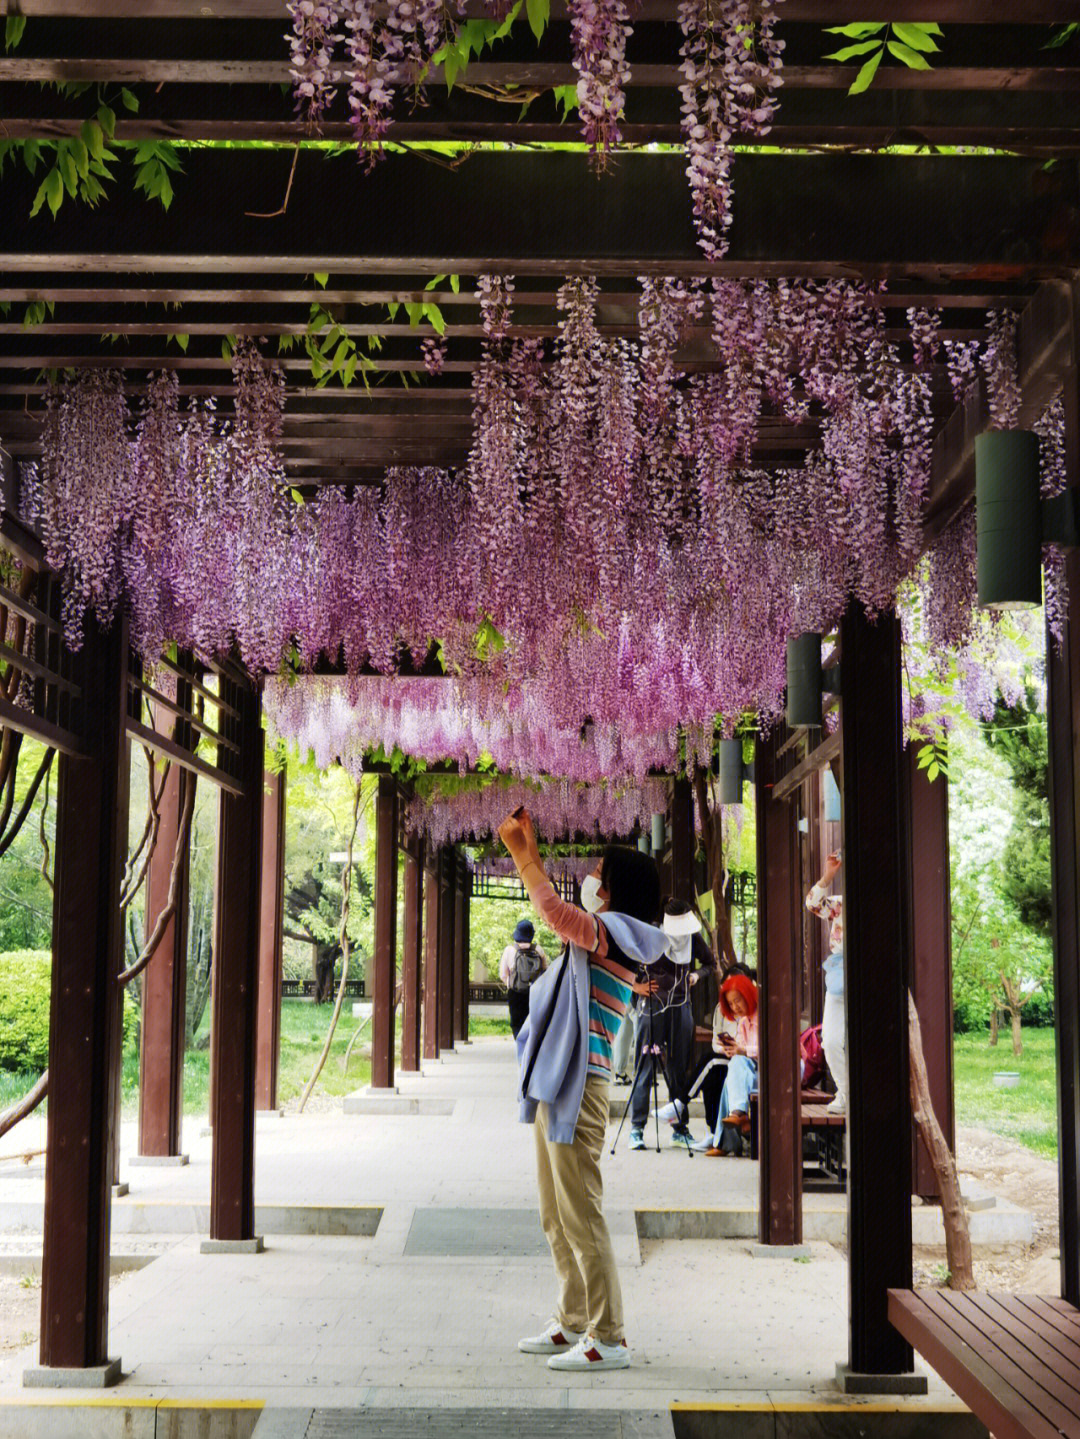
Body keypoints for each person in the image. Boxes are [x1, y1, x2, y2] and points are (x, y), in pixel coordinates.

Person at [497, 805, 668, 1373]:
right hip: (561, 1079)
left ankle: (610, 1336)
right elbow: (564, 914)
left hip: (582, 1085)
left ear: (616, 889)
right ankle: (573, 1318)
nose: (592, 878)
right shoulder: (608, 933)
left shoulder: (616, 937)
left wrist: (525, 859)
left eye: (600, 872)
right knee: (555, 1212)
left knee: (581, 1213)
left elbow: (553, 912)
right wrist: (534, 850)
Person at [644, 900, 720, 1148]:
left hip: (682, 1004)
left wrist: (697, 974)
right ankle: (637, 1127)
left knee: (679, 1065)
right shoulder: (654, 932)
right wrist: (638, 986)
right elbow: (633, 961)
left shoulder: (693, 936)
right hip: (655, 1004)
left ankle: (680, 1126)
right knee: (646, 1062)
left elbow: (711, 964)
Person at [691, 973, 759, 1154]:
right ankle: (737, 1118)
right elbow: (743, 1050)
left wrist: (742, 1051)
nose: (735, 1007)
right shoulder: (744, 1022)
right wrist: (735, 1049)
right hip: (755, 1072)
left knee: (735, 1066)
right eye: (730, 1004)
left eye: (738, 1000)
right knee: (730, 1077)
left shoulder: (765, 1016)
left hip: (781, 1072)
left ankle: (724, 1139)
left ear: (748, 995)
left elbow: (773, 1051)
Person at [806, 850, 845, 1115]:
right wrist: (828, 875)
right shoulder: (840, 904)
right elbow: (812, 904)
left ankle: (853, 1094)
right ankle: (846, 1092)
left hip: (872, 972)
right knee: (830, 1040)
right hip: (840, 974)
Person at [499, 918, 548, 1038]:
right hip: (534, 992)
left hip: (515, 993)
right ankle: (530, 1048)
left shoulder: (510, 950)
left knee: (516, 1023)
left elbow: (503, 974)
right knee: (532, 1022)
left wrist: (511, 984)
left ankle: (520, 1047)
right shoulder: (538, 950)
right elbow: (546, 972)